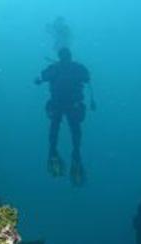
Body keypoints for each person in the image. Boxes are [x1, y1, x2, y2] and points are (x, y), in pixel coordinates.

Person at [35, 47, 94, 186]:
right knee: (75, 130)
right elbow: (88, 78)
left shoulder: (54, 68)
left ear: (60, 56)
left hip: (58, 103)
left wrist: (39, 79)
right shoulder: (77, 67)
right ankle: (76, 153)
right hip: (73, 104)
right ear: (69, 56)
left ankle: (53, 150)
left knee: (55, 128)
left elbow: (41, 78)